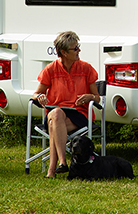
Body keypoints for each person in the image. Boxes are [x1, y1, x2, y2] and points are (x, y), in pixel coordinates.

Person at [32, 31, 100, 178]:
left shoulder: (86, 68)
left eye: (78, 46)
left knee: (54, 125)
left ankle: (52, 169)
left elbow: (97, 98)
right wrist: (40, 97)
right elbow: (35, 94)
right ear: (63, 52)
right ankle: (62, 162)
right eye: (75, 48)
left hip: (79, 114)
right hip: (55, 112)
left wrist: (90, 96)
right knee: (56, 114)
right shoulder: (50, 69)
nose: (79, 50)